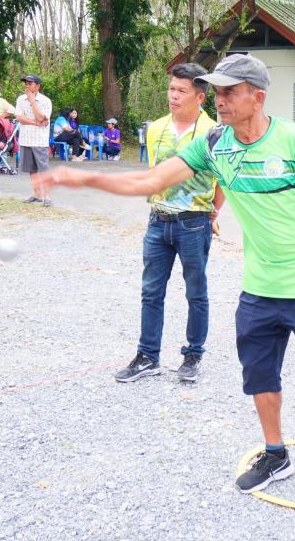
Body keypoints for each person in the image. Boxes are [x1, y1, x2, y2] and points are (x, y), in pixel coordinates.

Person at [38, 54, 295, 504]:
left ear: (257, 97)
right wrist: (82, 177)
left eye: (229, 92)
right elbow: (151, 182)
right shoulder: (214, 144)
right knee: (260, 376)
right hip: (259, 287)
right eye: (217, 92)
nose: (219, 100)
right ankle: (275, 454)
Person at [113, 63, 221, 384]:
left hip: (194, 224)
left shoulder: (214, 132)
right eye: (171, 89)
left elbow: (223, 178)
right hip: (158, 222)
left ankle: (193, 355)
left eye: (181, 91)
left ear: (199, 97)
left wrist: (213, 211)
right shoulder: (156, 128)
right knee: (151, 292)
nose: (173, 95)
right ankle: (148, 356)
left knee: (196, 292)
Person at [15, 74, 53, 206]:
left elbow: (42, 118)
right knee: (31, 169)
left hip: (39, 140)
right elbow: (19, 118)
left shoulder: (45, 101)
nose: (27, 86)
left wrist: (32, 101)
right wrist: (35, 123)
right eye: (26, 83)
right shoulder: (20, 99)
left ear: (38, 86)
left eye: (30, 84)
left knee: (43, 169)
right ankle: (37, 194)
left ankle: (47, 196)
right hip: (25, 139)